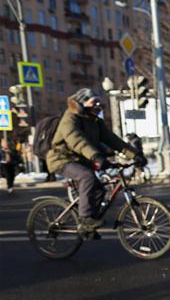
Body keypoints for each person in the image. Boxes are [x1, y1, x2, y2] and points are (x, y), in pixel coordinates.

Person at [46, 88, 144, 231]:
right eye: (94, 102)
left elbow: (112, 140)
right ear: (82, 103)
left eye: (98, 102)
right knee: (87, 177)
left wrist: (134, 154)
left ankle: (87, 226)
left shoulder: (95, 120)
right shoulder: (70, 118)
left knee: (99, 190)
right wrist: (95, 156)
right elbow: (76, 140)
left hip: (82, 159)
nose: (97, 105)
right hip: (62, 159)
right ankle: (85, 218)